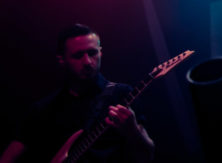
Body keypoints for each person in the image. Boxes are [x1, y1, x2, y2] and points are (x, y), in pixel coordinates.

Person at [0, 24, 155, 163]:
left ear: (101, 53)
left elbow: (147, 156)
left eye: (92, 53)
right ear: (62, 60)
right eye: (78, 55)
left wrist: (132, 131)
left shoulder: (121, 94)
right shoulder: (43, 110)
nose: (87, 61)